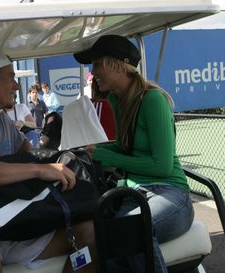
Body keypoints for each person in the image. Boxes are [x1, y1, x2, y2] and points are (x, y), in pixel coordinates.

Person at [0, 49, 97, 273]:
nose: (16, 85)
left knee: (90, 233)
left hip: (14, 226)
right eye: (11, 77)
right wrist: (38, 170)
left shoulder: (2, 121)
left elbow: (32, 155)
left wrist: (71, 155)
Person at [74, 34, 194, 273]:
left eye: (97, 64)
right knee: (110, 247)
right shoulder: (115, 99)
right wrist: (94, 150)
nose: (93, 71)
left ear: (117, 65)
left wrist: (106, 156)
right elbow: (124, 146)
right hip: (134, 194)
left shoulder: (153, 100)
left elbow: (162, 167)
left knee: (130, 231)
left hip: (171, 194)